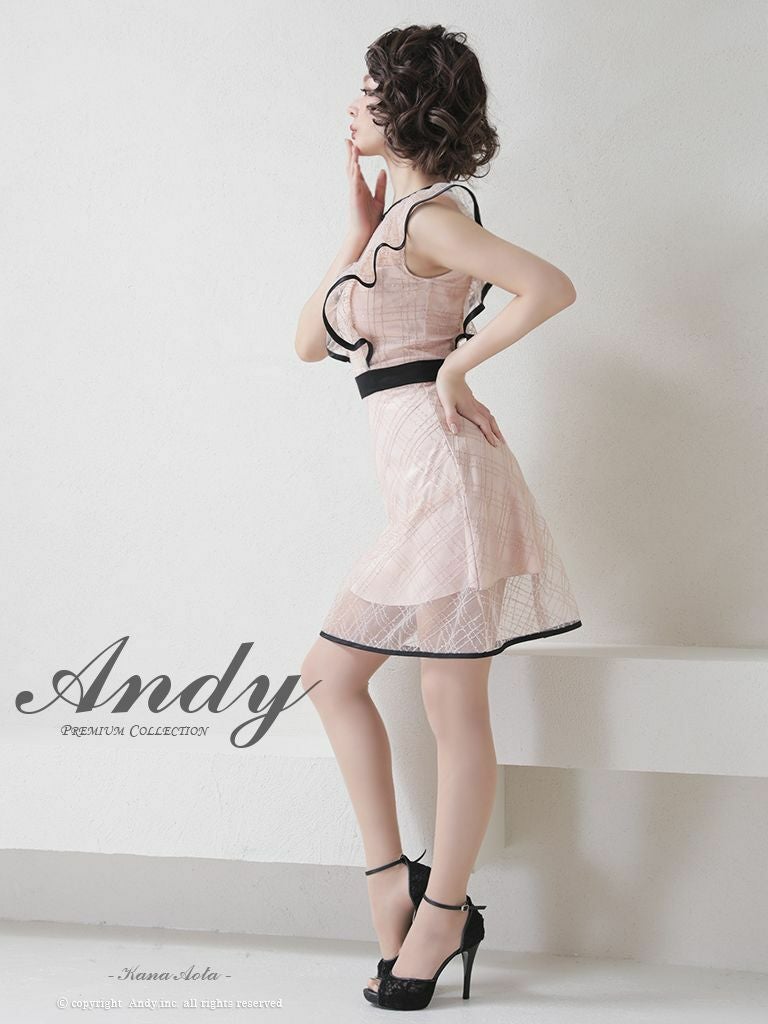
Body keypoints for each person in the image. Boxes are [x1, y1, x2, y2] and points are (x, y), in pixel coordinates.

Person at [294, 24, 582, 1011]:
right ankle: (393, 885)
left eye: (369, 87)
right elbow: (307, 343)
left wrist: (458, 367)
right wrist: (354, 227)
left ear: (407, 104)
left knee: (452, 706)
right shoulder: (395, 223)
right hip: (421, 485)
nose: (353, 102)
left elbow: (549, 286)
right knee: (331, 675)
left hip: (451, 478)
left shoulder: (434, 221)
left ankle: (444, 913)